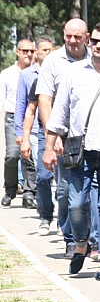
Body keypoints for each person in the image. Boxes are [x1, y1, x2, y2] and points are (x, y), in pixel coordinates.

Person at [44, 21, 100, 282]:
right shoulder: (74, 72)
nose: (97, 46)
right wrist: (49, 147)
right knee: (76, 204)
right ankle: (81, 243)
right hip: (79, 150)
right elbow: (59, 112)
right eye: (94, 41)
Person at [38, 19, 91, 259]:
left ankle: (92, 240)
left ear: (86, 37)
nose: (72, 41)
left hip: (92, 136)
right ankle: (70, 238)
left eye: (77, 37)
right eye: (68, 36)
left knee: (91, 192)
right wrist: (53, 135)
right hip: (65, 137)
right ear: (63, 34)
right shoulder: (52, 62)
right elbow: (45, 99)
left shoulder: (97, 57)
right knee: (64, 190)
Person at [18, 37, 56, 231]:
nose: (48, 54)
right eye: (44, 51)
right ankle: (46, 215)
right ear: (37, 53)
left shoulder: (65, 75)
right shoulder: (37, 81)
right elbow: (30, 111)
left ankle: (67, 224)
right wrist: (25, 138)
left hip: (66, 135)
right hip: (44, 132)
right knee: (42, 177)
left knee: (65, 186)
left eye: (51, 50)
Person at [2, 40, 36, 206]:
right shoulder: (7, 74)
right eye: (25, 51)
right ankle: (10, 189)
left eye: (31, 51)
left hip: (31, 117)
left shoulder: (36, 73)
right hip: (12, 117)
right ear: (17, 52)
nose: (28, 54)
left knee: (28, 157)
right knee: (12, 155)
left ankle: (29, 193)